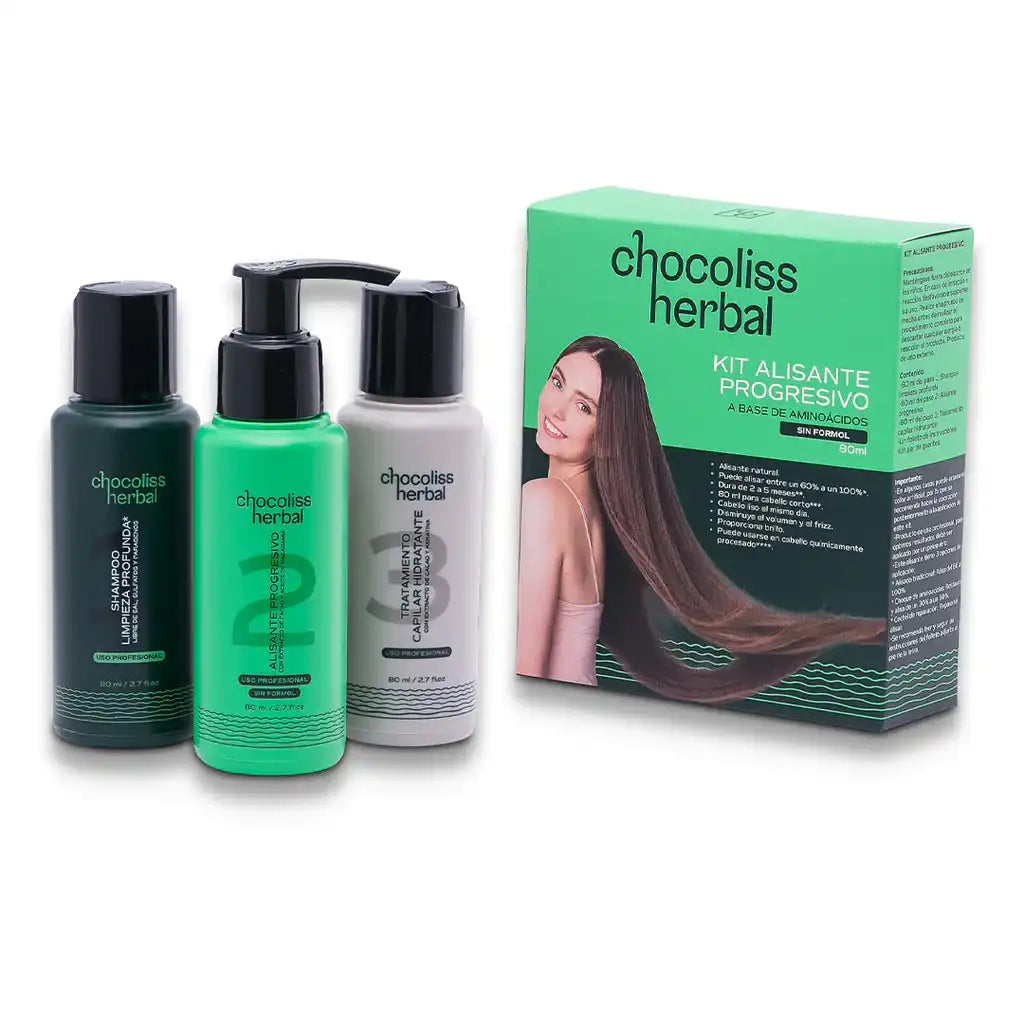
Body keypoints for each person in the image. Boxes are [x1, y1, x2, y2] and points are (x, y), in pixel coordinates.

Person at [516, 336, 886, 703]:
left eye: (584, 407)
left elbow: (529, 678)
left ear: (607, 433)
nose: (557, 410)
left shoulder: (544, 501)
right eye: (558, 382)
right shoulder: (586, 509)